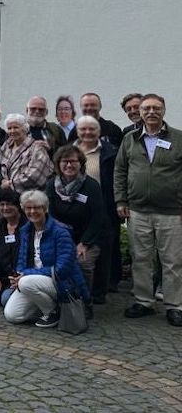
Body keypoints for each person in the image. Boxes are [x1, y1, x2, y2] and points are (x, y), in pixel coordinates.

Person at [114, 93, 182, 326]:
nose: (151, 112)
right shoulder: (130, 139)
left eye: (156, 108)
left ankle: (174, 305)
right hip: (138, 210)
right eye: (147, 109)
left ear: (164, 110)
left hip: (172, 211)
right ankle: (144, 301)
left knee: (172, 260)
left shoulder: (178, 138)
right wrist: (121, 201)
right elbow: (120, 171)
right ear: (140, 113)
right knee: (140, 258)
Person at [3, 190, 89, 327]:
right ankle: (46, 306)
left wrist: (25, 275)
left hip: (61, 282)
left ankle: (52, 312)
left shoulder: (60, 232)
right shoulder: (26, 231)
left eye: (37, 207)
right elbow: (21, 260)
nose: (32, 211)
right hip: (32, 281)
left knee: (25, 283)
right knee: (12, 315)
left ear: (45, 208)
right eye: (28, 208)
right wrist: (17, 275)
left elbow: (62, 269)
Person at [46, 145, 107, 312]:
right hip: (61, 237)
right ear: (58, 164)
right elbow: (49, 215)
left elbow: (97, 218)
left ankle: (83, 302)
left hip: (87, 238)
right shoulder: (51, 185)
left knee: (82, 263)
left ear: (81, 163)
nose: (69, 165)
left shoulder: (91, 186)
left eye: (73, 161)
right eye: (65, 161)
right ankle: (59, 300)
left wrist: (84, 243)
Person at [74, 115, 120, 300]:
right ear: (77, 132)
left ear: (99, 132)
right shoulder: (69, 151)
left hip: (104, 208)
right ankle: (80, 290)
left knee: (103, 250)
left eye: (91, 129)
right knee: (81, 251)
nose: (87, 132)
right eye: (83, 129)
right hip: (76, 210)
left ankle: (100, 292)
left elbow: (118, 179)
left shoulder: (110, 152)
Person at [0, 188, 26, 307]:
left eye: (9, 204)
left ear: (17, 206)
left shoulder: (27, 225)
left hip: (21, 276)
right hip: (4, 277)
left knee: (5, 300)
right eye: (1, 204)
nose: (5, 208)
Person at [0, 113, 52, 194]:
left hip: (30, 197)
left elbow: (35, 176)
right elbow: (0, 167)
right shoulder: (5, 147)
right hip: (9, 197)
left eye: (16, 127)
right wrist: (2, 180)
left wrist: (10, 183)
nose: (12, 131)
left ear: (25, 128)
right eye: (9, 128)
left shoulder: (37, 148)